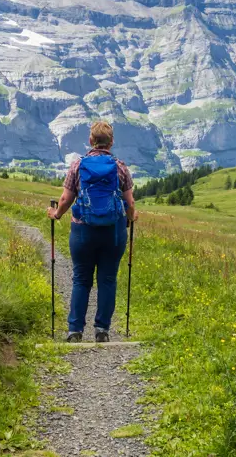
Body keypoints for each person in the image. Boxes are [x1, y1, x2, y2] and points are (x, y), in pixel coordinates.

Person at [46, 120, 137, 343]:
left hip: (82, 231)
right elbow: (130, 202)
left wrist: (55, 214)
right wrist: (131, 216)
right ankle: (102, 330)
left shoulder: (77, 165)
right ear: (111, 142)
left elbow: (67, 198)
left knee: (81, 279)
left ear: (90, 140)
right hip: (113, 232)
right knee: (107, 279)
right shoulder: (120, 167)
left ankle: (75, 330)